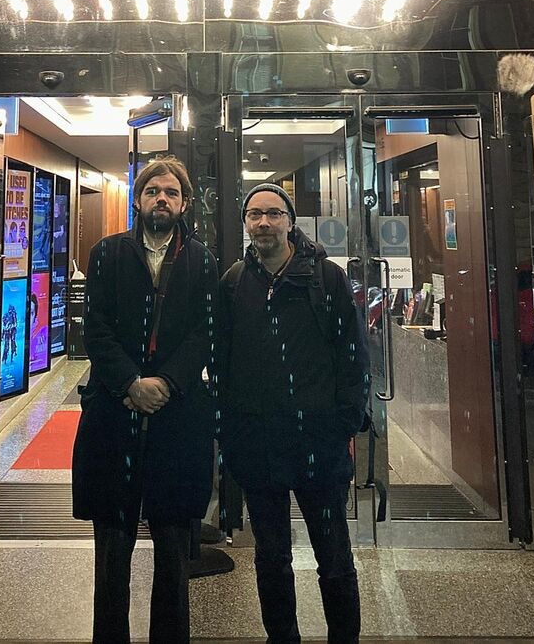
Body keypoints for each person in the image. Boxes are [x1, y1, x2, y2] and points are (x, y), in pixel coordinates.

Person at [72, 156, 218, 644]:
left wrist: (167, 383)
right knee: (112, 552)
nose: (162, 199)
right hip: (115, 413)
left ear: (184, 203)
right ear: (138, 200)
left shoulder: (202, 261)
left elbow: (204, 332)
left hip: (177, 419)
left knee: (174, 551)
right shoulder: (106, 253)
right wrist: (132, 383)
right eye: (153, 191)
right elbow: (96, 328)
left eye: (171, 192)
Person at [219, 184, 370, 644]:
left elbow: (353, 354)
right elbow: (222, 359)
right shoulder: (234, 282)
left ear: (290, 221)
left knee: (334, 557)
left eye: (273, 214)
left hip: (318, 445)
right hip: (258, 445)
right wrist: (230, 428)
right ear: (246, 223)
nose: (263, 222)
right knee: (270, 558)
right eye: (254, 215)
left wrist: (345, 422)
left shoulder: (326, 277)